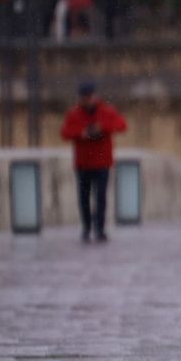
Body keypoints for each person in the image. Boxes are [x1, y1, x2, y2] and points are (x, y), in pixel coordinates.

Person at [59, 80, 129, 244]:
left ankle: (100, 229)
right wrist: (81, 133)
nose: (87, 100)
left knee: (101, 197)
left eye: (89, 97)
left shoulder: (106, 111)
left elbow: (122, 125)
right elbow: (64, 133)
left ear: (95, 96)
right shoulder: (74, 113)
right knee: (84, 198)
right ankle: (86, 227)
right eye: (84, 97)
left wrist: (102, 128)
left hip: (102, 162)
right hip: (83, 163)